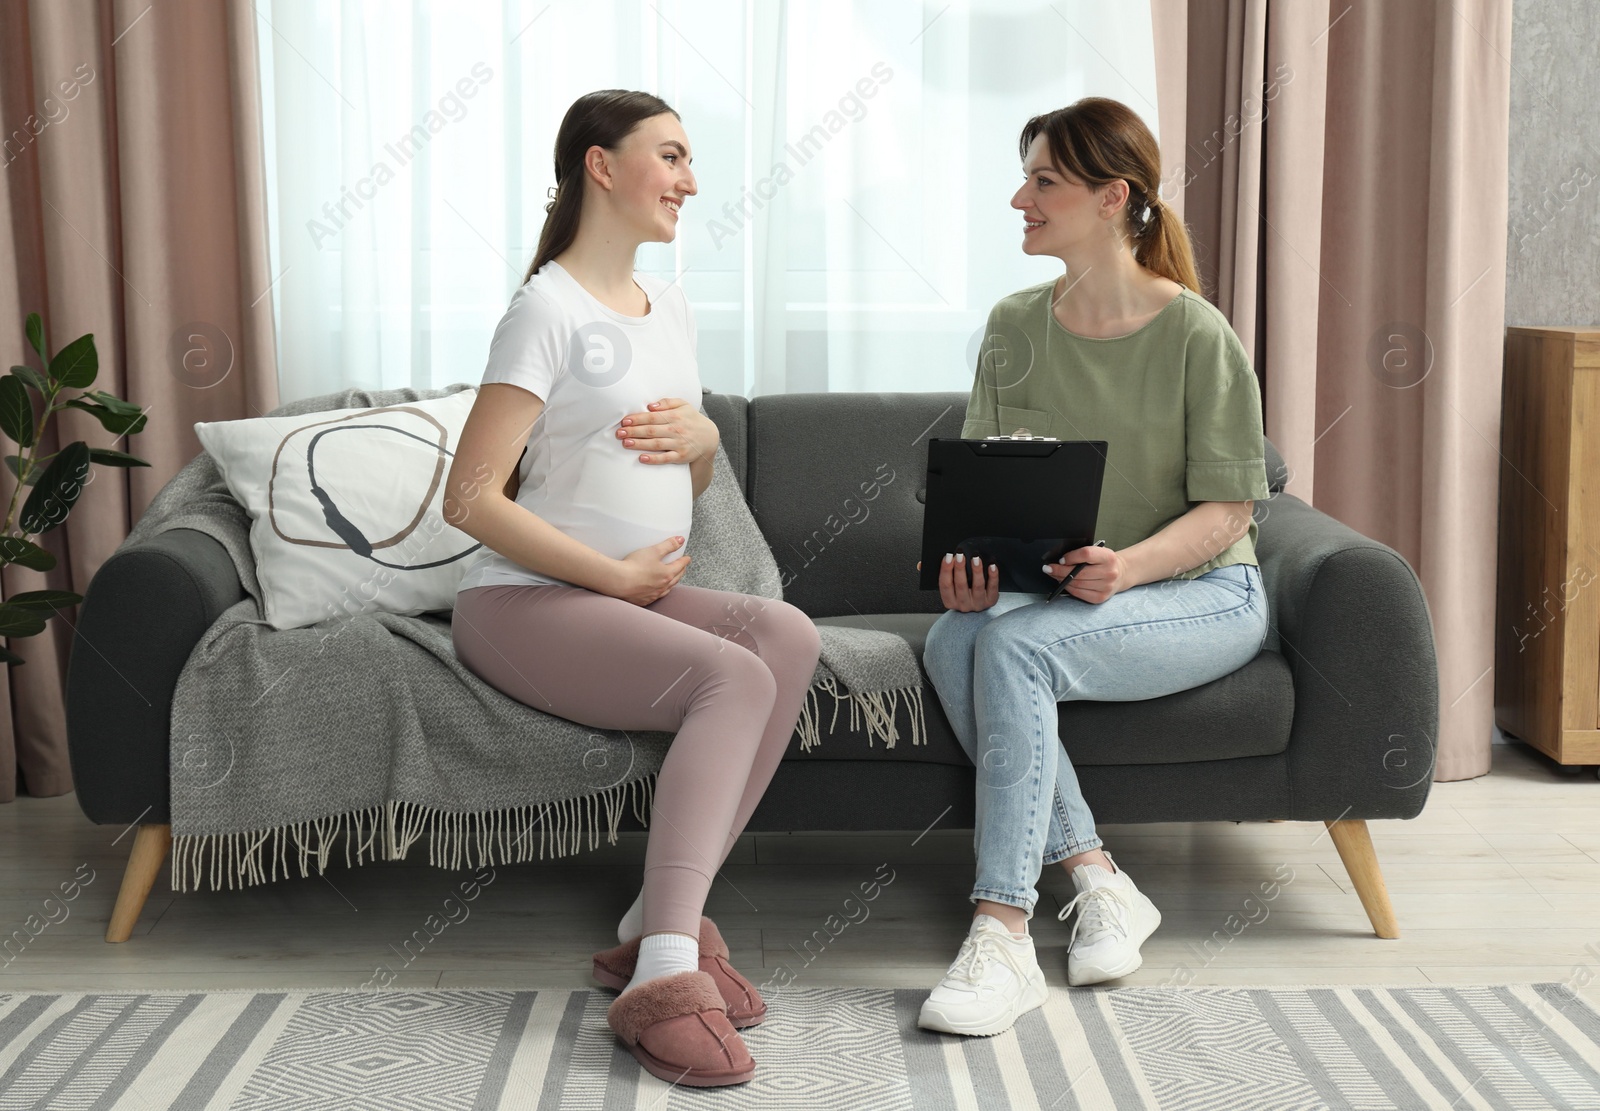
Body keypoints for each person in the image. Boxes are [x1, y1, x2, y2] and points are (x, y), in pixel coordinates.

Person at [445, 89, 820, 1088]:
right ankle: (662, 967)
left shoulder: (672, 309)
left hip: (626, 597)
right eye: (672, 156)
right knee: (730, 680)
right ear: (601, 167)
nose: (691, 180)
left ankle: (647, 920)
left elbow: (678, 475)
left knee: (784, 639)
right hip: (523, 602)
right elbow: (470, 497)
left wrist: (703, 447)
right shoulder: (545, 309)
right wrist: (610, 575)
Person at [914, 97, 1271, 1038]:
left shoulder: (1198, 334)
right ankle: (1096, 877)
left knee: (1016, 653)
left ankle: (1002, 930)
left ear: (1114, 198)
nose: (1019, 198)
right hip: (1064, 595)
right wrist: (974, 567)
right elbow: (995, 492)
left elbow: (1231, 507)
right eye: (1025, 175)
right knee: (957, 640)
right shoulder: (1015, 324)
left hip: (1203, 594)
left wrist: (1131, 566)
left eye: (1044, 180)